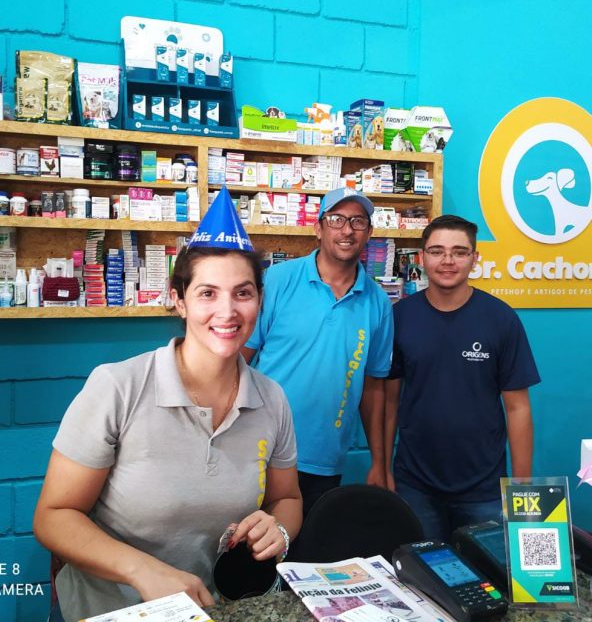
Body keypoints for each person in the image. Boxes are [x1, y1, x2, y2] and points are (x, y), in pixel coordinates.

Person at [34, 187, 302, 622]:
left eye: (243, 293)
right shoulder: (118, 387)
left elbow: (287, 498)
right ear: (178, 300)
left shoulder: (272, 399)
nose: (228, 311)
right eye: (208, 293)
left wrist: (280, 529)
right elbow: (53, 516)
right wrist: (143, 571)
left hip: (215, 610)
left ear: (259, 300)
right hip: (113, 611)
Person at [385, 215, 540, 541]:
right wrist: (382, 464)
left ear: (474, 258)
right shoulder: (401, 317)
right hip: (415, 485)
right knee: (421, 572)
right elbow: (388, 400)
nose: (448, 260)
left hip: (484, 489)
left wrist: (521, 486)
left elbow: (518, 408)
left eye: (459, 252)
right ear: (422, 257)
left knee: (490, 572)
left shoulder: (501, 319)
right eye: (437, 251)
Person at [243, 187, 394, 516]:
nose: (347, 230)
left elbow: (373, 388)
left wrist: (379, 463)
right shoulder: (278, 279)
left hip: (325, 458)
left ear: (369, 232)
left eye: (357, 221)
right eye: (337, 219)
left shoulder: (378, 302)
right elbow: (240, 358)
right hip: (261, 450)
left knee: (308, 544)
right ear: (319, 228)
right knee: (250, 543)